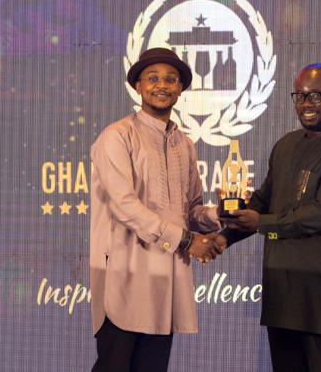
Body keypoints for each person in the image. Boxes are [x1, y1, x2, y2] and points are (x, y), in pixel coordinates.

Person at [215, 64, 321, 372]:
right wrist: (224, 237)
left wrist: (261, 224)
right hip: (282, 293)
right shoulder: (286, 144)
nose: (306, 103)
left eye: (316, 95)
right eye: (299, 96)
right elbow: (263, 201)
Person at [88, 47, 223, 372]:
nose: (162, 85)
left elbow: (191, 212)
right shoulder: (117, 137)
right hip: (124, 276)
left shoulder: (184, 144)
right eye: (153, 78)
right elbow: (125, 207)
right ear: (138, 86)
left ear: (180, 89)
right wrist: (188, 241)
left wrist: (225, 213)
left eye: (171, 79)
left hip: (165, 281)